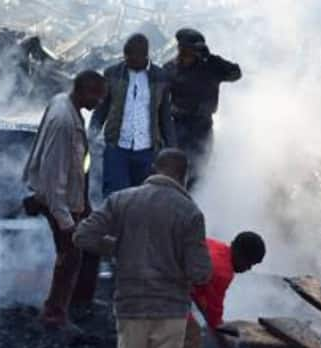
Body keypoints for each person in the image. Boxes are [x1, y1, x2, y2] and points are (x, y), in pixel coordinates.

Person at [74, 149, 211, 348]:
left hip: (131, 304)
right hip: (170, 309)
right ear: (183, 176)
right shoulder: (190, 212)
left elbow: (83, 236)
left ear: (153, 169)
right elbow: (200, 273)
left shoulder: (122, 200)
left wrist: (116, 249)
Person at [21, 70, 107, 332]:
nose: (100, 103)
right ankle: (54, 315)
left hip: (73, 194)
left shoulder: (62, 102)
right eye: (98, 96)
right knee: (70, 255)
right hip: (62, 200)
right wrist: (65, 220)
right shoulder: (64, 123)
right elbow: (54, 174)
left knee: (85, 249)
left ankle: (77, 304)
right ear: (84, 91)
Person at [89, 34, 176, 197]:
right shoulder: (112, 73)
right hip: (117, 148)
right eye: (126, 57)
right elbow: (101, 109)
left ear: (145, 55)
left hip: (147, 151)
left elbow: (165, 117)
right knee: (115, 198)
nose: (128, 62)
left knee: (143, 198)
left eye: (133, 59)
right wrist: (92, 136)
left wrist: (171, 149)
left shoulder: (161, 77)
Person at [179, 232, 265, 348]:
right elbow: (212, 309)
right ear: (240, 254)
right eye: (249, 263)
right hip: (165, 291)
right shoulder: (222, 270)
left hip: (162, 278)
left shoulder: (216, 246)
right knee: (191, 338)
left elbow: (203, 298)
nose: (249, 269)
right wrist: (223, 339)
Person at [163, 28, 241, 188]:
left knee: (199, 171)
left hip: (202, 126)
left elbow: (236, 73)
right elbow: (161, 99)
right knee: (175, 170)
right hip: (178, 126)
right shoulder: (170, 68)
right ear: (181, 48)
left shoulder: (210, 66)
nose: (190, 53)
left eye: (195, 49)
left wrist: (211, 59)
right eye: (188, 48)